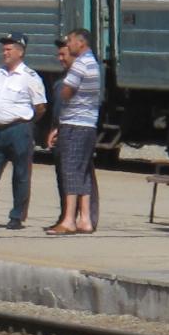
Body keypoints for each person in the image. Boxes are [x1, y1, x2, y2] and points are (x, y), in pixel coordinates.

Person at [44, 26, 103, 234]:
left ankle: (68, 220)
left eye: (70, 41)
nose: (67, 44)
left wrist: (64, 95)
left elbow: (66, 92)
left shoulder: (80, 65)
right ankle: (85, 219)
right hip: (88, 124)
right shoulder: (93, 64)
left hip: (74, 124)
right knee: (83, 171)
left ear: (81, 42)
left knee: (70, 170)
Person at [0, 33, 46, 229]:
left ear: (20, 52)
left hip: (19, 130)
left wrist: (26, 123)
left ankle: (17, 216)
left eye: (9, 49)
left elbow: (41, 106)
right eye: (4, 49)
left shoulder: (30, 77)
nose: (5, 52)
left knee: (21, 174)